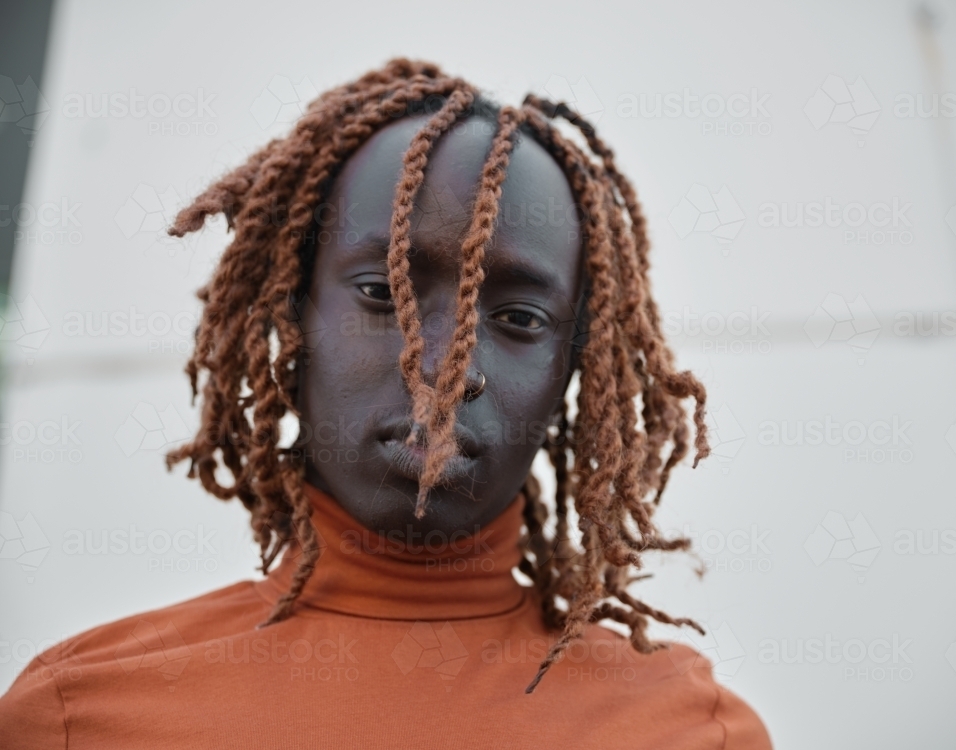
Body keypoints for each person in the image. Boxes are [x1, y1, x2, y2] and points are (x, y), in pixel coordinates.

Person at [0, 59, 771, 748]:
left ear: (574, 375)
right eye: (380, 293)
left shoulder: (690, 730)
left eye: (519, 319)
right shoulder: (81, 718)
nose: (441, 366)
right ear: (290, 318)